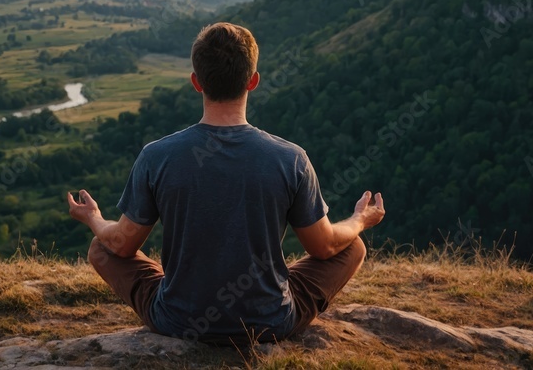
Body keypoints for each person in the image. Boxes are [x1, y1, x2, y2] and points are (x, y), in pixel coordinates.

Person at [67, 22, 385, 344]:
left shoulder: (157, 156)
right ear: (254, 81)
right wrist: (360, 219)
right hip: (269, 323)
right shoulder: (291, 159)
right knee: (352, 246)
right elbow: (325, 246)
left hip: (178, 321)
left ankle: (183, 297)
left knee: (101, 247)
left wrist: (92, 216)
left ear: (196, 82)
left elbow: (121, 244)